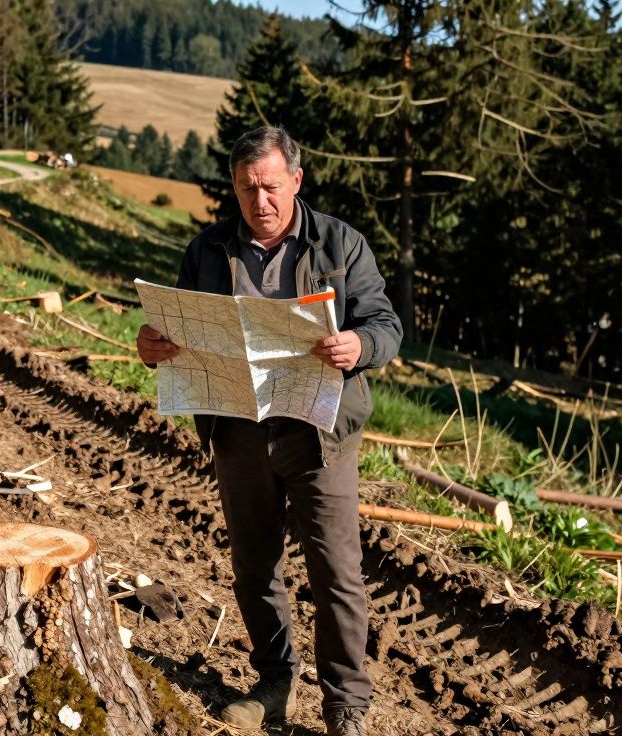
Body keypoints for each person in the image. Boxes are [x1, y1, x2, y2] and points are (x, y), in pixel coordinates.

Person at [135, 127, 402, 736]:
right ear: (235, 186)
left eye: (272, 187)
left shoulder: (341, 244)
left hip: (318, 432)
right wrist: (151, 348)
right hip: (237, 429)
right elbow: (170, 332)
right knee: (255, 567)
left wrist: (359, 344)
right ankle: (274, 684)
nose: (261, 202)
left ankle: (346, 706)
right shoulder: (207, 251)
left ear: (297, 182)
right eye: (248, 188)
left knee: (336, 571)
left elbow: (386, 324)